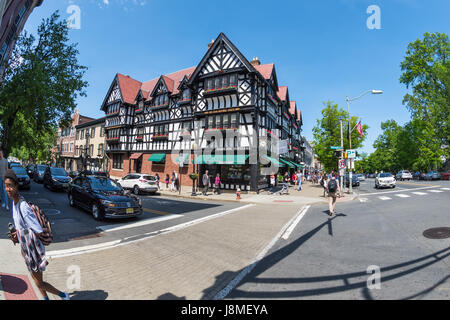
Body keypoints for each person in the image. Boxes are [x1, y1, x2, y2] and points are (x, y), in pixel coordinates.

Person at [4, 169, 69, 300]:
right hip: (27, 249)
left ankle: (63, 295)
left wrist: (24, 235)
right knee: (36, 280)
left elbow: (38, 230)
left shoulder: (23, 206)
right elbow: (22, 227)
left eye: (10, 185)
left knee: (39, 282)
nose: (8, 189)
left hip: (34, 249)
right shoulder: (14, 203)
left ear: (17, 186)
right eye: (6, 185)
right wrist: (17, 234)